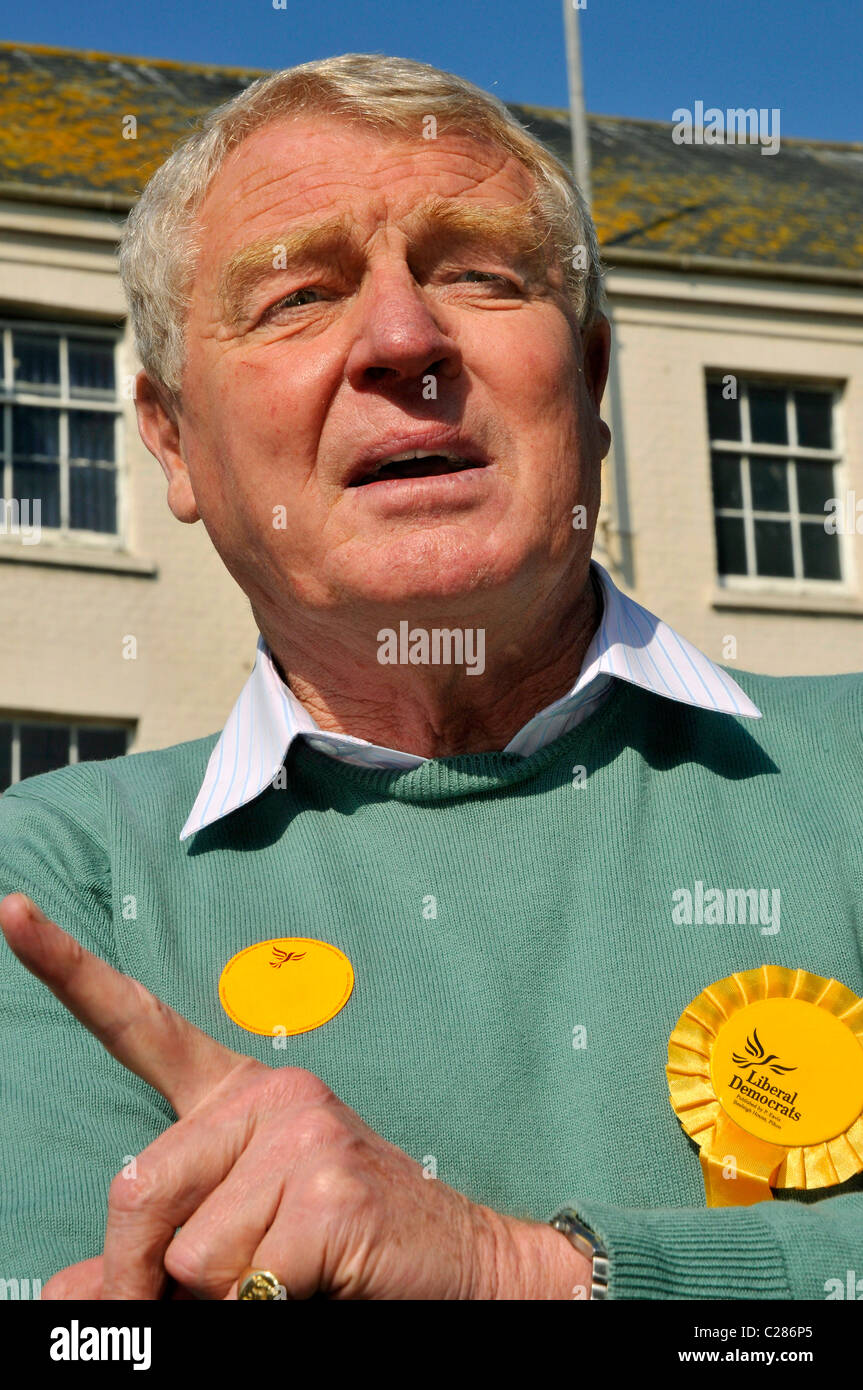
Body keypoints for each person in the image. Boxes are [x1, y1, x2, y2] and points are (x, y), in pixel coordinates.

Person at [1, 53, 861, 1302]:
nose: (405, 340)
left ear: (592, 386)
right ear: (172, 439)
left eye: (479, 274)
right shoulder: (54, 887)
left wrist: (517, 1272)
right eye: (297, 294)